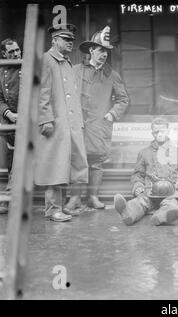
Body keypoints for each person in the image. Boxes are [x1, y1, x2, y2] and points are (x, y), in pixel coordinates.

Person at [63, 26, 129, 213]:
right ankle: (74, 198)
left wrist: (112, 114)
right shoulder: (74, 71)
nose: (104, 54)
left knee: (96, 161)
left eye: (107, 51)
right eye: (101, 50)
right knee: (76, 159)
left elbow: (123, 99)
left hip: (99, 127)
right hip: (77, 125)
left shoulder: (112, 74)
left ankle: (92, 197)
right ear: (91, 50)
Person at [34, 23, 89, 222]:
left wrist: (79, 122)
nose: (70, 43)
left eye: (71, 40)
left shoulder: (66, 63)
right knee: (55, 167)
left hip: (72, 124)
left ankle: (69, 204)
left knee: (74, 165)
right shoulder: (46, 60)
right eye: (66, 39)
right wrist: (46, 119)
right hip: (55, 124)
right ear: (54, 40)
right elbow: (42, 93)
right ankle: (52, 209)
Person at [113, 117, 178, 226]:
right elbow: (138, 175)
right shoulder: (144, 153)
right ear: (152, 134)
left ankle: (162, 216)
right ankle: (128, 213)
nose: (159, 134)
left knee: (171, 204)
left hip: (171, 192)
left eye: (162, 131)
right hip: (149, 192)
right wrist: (138, 186)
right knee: (140, 202)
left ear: (168, 131)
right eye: (156, 132)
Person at [0, 38, 21, 213]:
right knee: (12, 162)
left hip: (28, 122)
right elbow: (0, 99)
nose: (16, 54)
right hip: (10, 124)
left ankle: (8, 198)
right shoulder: (1, 72)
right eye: (11, 52)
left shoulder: (27, 68)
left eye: (17, 50)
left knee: (18, 162)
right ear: (4, 54)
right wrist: (9, 114)